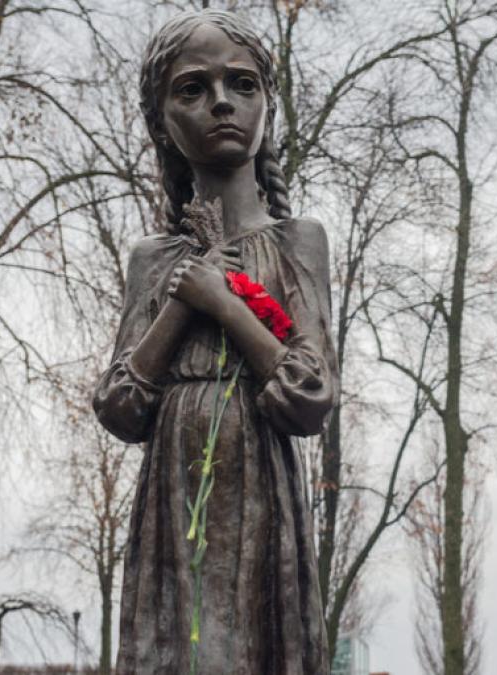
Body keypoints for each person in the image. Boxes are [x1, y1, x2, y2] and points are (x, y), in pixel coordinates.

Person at [92, 9, 336, 674]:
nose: (222, 102)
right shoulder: (151, 258)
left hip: (260, 490)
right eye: (193, 88)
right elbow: (120, 406)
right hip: (172, 499)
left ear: (267, 105)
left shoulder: (297, 242)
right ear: (161, 121)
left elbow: (311, 395)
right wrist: (182, 301)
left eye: (242, 84)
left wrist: (225, 304)